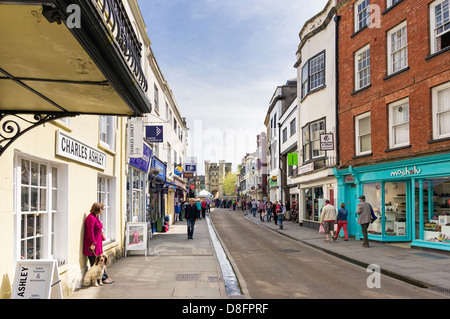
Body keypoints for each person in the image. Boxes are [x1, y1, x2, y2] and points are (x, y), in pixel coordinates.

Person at [83, 202, 114, 284]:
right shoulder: (91, 218)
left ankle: (104, 276)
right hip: (93, 244)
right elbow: (90, 232)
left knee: (101, 261)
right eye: (101, 209)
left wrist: (102, 229)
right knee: (96, 262)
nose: (102, 210)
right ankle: (103, 278)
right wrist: (93, 243)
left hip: (98, 242)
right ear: (97, 209)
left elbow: (99, 226)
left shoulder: (96, 217)